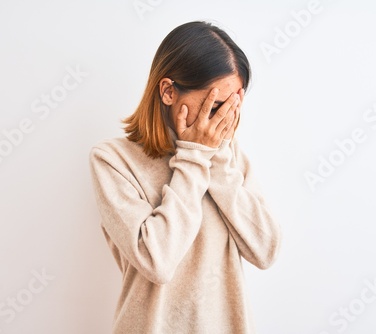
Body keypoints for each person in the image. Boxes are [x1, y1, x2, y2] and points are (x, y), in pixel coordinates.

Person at [89, 21, 282, 334]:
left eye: (233, 106)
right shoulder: (112, 160)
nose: (225, 119)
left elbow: (266, 250)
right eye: (215, 105)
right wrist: (193, 158)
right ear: (167, 91)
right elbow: (158, 262)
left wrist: (214, 156)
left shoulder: (227, 153)